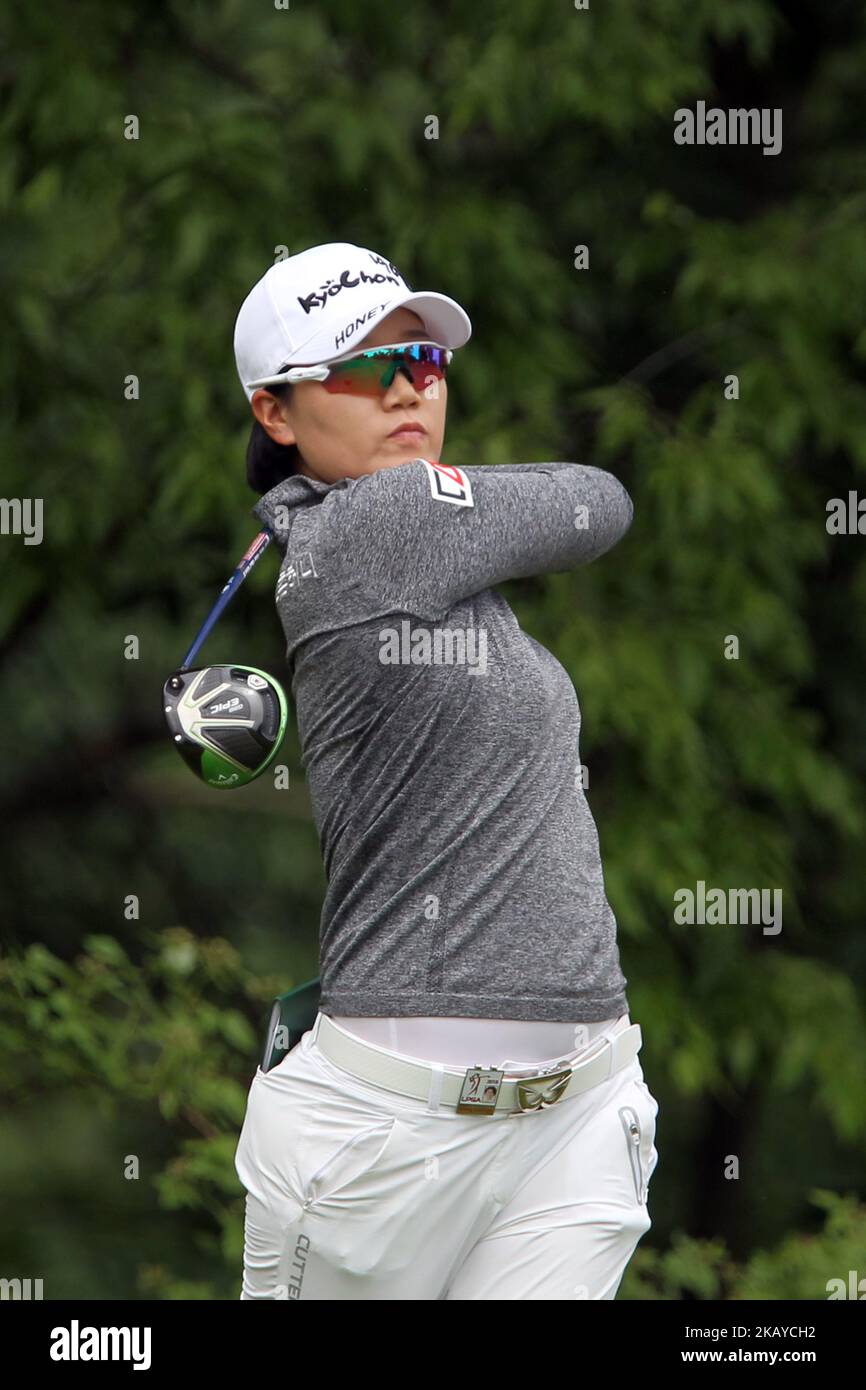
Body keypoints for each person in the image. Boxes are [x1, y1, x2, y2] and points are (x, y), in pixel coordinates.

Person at [232, 241, 659, 1300]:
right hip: (383, 1138)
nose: (411, 388)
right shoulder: (379, 529)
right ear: (275, 414)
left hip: (575, 1106)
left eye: (423, 362)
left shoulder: (425, 556)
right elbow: (594, 500)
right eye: (366, 369)